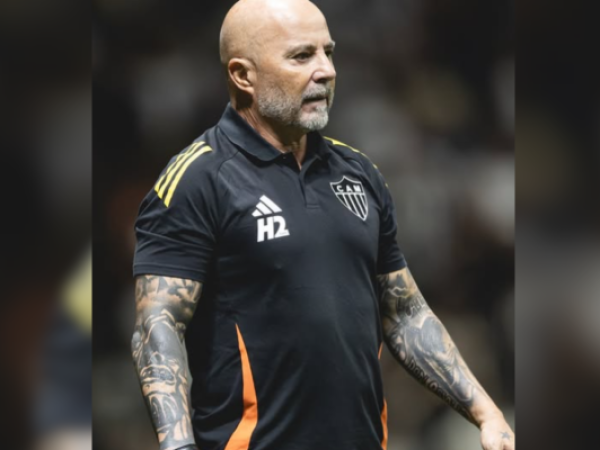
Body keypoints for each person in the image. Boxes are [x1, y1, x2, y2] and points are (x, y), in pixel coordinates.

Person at [131, 1, 515, 449]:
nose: (326, 71)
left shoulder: (359, 174)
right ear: (243, 75)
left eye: (328, 52)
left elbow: (404, 313)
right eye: (301, 56)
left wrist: (485, 412)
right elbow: (159, 324)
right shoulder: (197, 179)